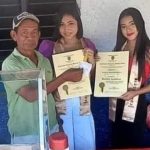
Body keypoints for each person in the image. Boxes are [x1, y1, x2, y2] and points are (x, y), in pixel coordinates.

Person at [2, 11, 83, 144]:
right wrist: (65, 77)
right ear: (14, 35)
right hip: (26, 133)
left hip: (51, 127)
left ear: (39, 35)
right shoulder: (10, 64)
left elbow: (50, 91)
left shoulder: (44, 60)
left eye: (34, 32)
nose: (30, 37)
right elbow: (31, 96)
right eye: (24, 32)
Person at [39, 5, 96, 150]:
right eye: (62, 24)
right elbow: (43, 78)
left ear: (78, 24)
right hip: (60, 110)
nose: (67, 29)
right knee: (63, 145)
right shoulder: (48, 47)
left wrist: (93, 64)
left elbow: (92, 80)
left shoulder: (88, 45)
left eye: (71, 23)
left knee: (86, 145)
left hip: (83, 108)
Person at [109, 7, 150, 148]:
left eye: (132, 23)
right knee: (117, 142)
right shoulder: (118, 49)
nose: (128, 29)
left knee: (133, 144)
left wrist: (136, 92)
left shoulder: (148, 50)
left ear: (140, 23)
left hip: (136, 105)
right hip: (117, 103)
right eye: (123, 26)